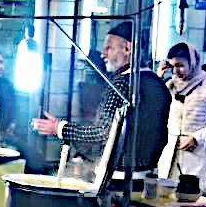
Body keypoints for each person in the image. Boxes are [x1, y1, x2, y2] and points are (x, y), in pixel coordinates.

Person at [33, 22, 171, 177]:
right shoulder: (158, 83)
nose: (103, 54)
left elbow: (103, 133)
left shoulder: (122, 83)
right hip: (148, 175)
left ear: (127, 49)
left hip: (118, 177)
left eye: (109, 48)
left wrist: (60, 128)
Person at [159, 43, 206, 186]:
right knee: (165, 195)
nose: (176, 71)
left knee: (192, 197)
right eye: (173, 66)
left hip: (197, 151)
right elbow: (155, 108)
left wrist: (197, 137)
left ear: (193, 62)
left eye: (180, 65)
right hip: (171, 150)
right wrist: (158, 78)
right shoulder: (171, 85)